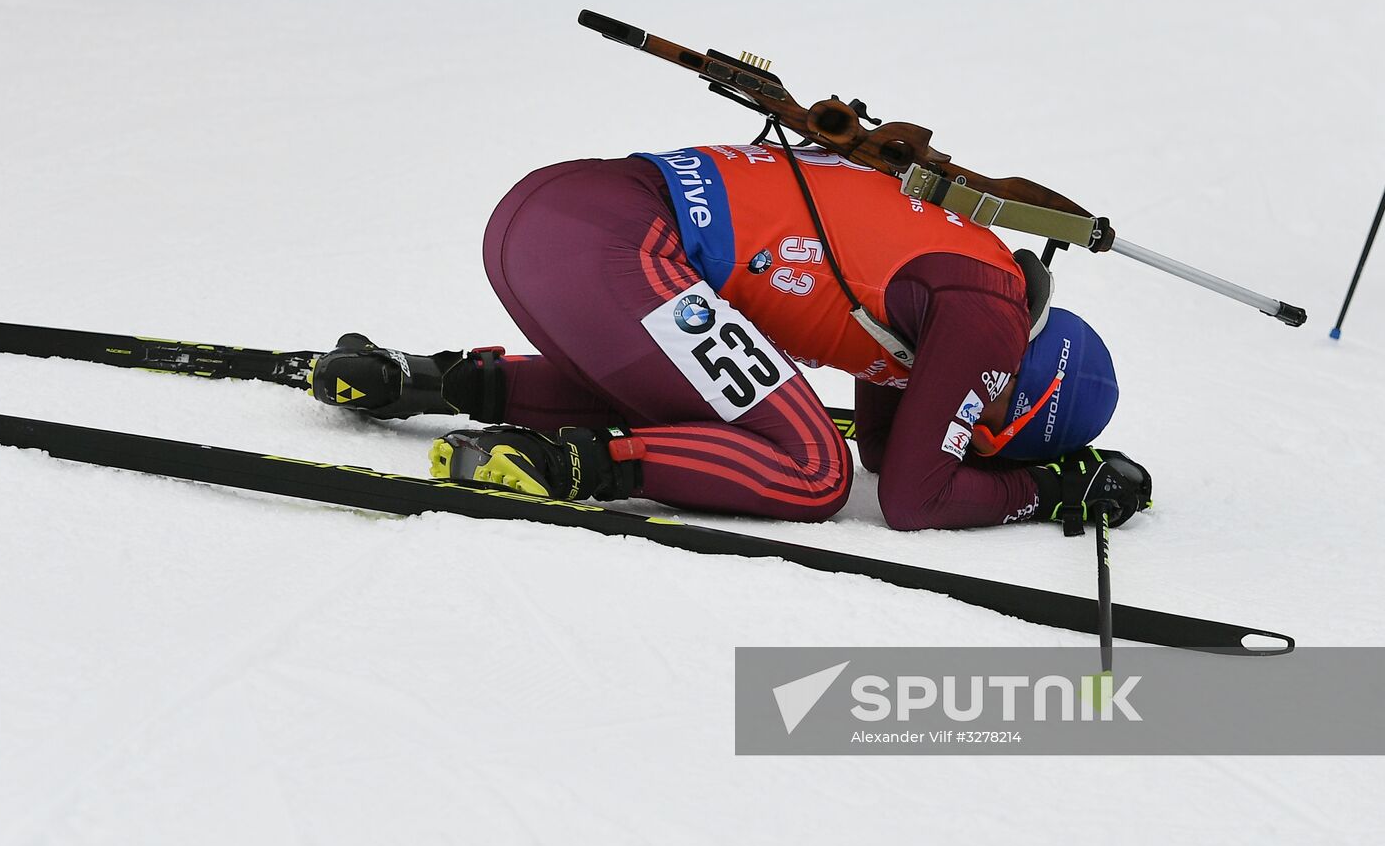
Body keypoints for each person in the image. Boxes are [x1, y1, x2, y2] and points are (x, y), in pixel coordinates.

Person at [308, 144, 1151, 531]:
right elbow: (914, 497)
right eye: (989, 440)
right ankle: (572, 467)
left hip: (554, 217)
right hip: (622, 245)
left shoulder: (962, 271)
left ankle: (423, 381)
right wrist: (1042, 492)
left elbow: (895, 454)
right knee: (811, 468)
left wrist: (979, 454)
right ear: (1016, 391)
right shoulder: (989, 316)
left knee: (714, 397)